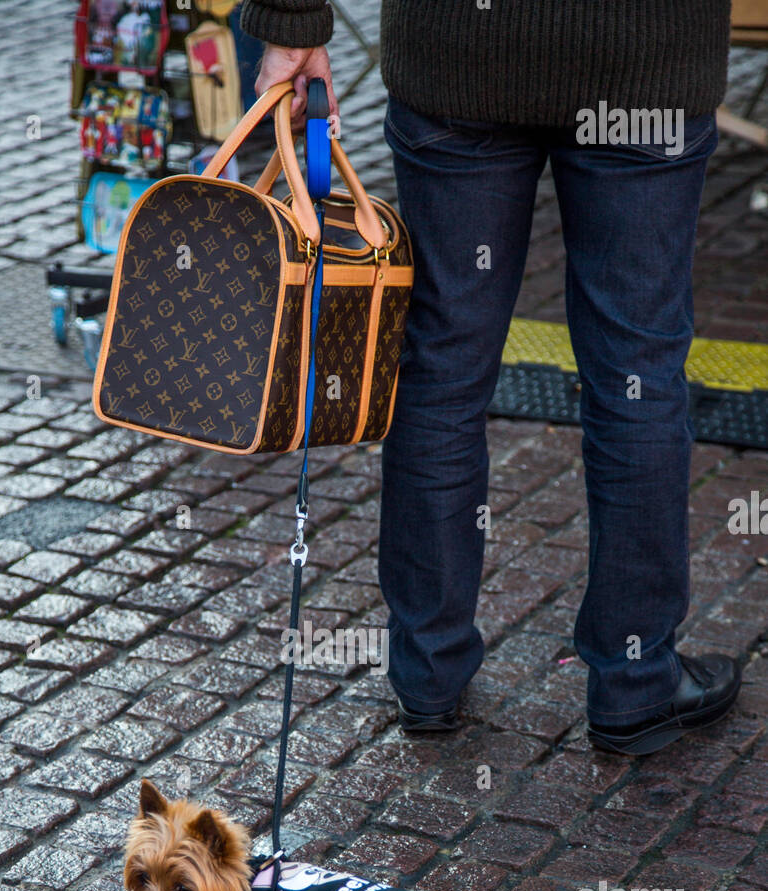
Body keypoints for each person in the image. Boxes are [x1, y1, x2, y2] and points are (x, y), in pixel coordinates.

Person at [240, 0, 741, 756]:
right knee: (638, 370)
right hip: (646, 52)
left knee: (441, 367)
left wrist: (293, 20)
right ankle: (635, 681)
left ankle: (429, 673)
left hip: (460, 55)